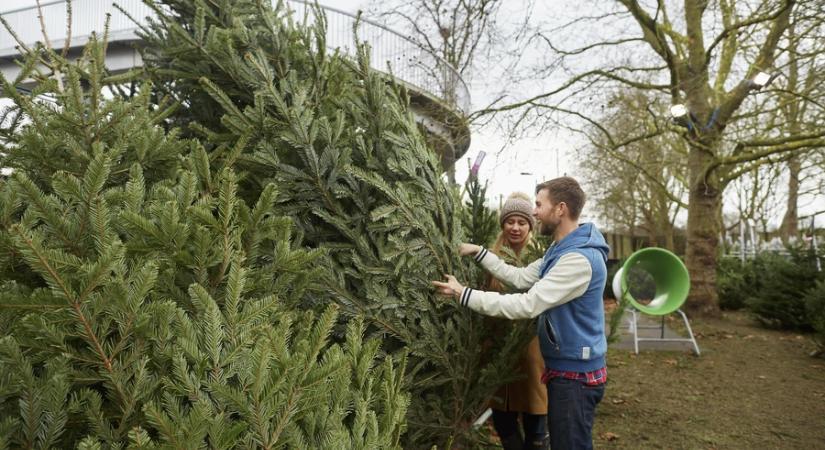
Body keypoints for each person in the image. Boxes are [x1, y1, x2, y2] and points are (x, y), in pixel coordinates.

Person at [433, 177, 609, 450]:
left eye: (539, 205)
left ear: (560, 209)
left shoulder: (577, 259)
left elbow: (526, 304)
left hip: (576, 377)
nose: (535, 212)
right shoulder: (560, 249)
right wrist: (480, 252)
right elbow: (519, 276)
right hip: (563, 369)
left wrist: (462, 293)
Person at [485, 193, 549, 450]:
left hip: (532, 348)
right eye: (509, 221)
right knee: (503, 419)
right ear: (503, 224)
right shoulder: (491, 256)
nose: (515, 227)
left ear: (529, 226)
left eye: (521, 222)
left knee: (536, 413)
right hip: (498, 347)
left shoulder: (539, 257)